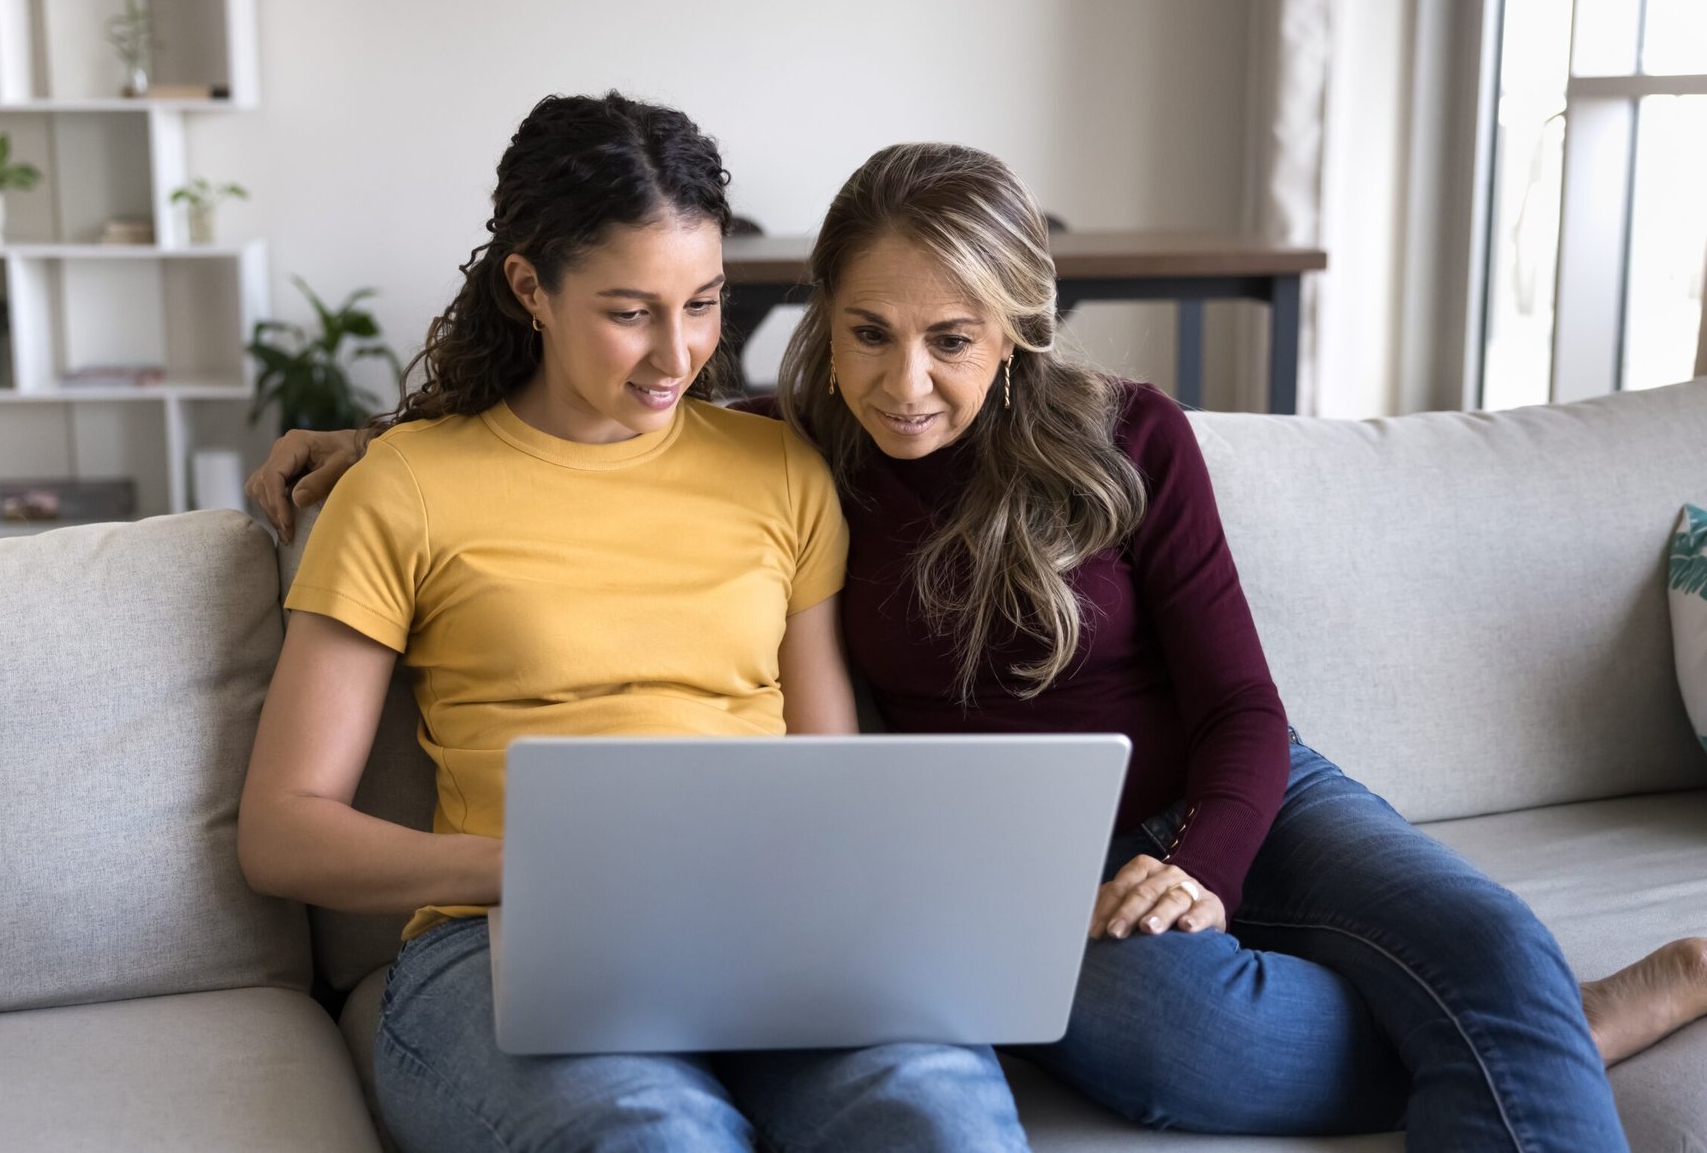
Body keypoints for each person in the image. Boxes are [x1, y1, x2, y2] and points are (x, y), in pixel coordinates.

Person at [250, 140, 1707, 1149]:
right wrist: (378, 443)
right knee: (1183, 1043)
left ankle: (1524, 1021)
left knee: (1491, 939)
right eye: (869, 332)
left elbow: (1248, 708)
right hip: (1028, 859)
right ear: (825, 323)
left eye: (951, 337)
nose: (905, 381)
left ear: (1018, 325)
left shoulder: (1130, 434)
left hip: (1234, 792)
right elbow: (594, 435)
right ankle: (1536, 1033)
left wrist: (1198, 866)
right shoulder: (799, 444)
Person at [235, 96, 1029, 1153]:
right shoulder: (404, 489)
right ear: (530, 286)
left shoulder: (779, 467)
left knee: (939, 1115)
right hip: (502, 938)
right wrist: (542, 864)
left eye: (702, 304)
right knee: (655, 1134)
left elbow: (826, 776)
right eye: (629, 311)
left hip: (765, 922)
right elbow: (283, 828)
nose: (677, 355)